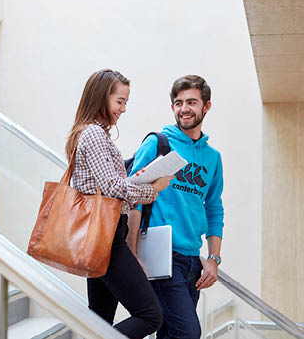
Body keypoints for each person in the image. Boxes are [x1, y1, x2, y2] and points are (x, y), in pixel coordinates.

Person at [65, 69, 174, 339]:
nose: (123, 109)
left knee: (99, 322)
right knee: (150, 316)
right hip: (106, 236)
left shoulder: (93, 133)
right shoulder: (93, 134)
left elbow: (110, 183)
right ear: (102, 98)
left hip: (102, 235)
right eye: (120, 101)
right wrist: (152, 188)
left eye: (126, 102)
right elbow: (113, 186)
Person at [127, 75, 224, 339]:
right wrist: (132, 250)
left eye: (191, 102)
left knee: (170, 333)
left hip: (193, 259)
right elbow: (132, 194)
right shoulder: (158, 143)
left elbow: (214, 208)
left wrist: (213, 258)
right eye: (178, 103)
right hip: (161, 253)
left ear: (207, 106)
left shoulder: (212, 158)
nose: (184, 109)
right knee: (188, 333)